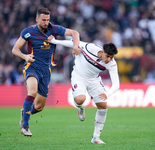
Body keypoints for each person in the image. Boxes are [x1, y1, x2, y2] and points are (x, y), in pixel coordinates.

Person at [12, 7, 80, 137]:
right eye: (43, 20)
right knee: (32, 92)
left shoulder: (54, 29)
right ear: (37, 19)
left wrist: (75, 47)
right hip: (32, 66)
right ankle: (25, 126)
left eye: (48, 20)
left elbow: (75, 33)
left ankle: (25, 112)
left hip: (46, 70)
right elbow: (15, 49)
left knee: (39, 107)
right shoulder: (28, 32)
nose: (46, 22)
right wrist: (25, 57)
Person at [48, 36, 120, 144]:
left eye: (111, 57)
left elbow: (116, 84)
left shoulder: (112, 63)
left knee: (103, 106)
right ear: (102, 51)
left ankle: (96, 137)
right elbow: (73, 43)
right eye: (107, 56)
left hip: (94, 80)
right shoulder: (90, 48)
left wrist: (107, 94)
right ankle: (81, 109)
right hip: (79, 76)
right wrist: (54, 41)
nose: (109, 59)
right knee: (80, 100)